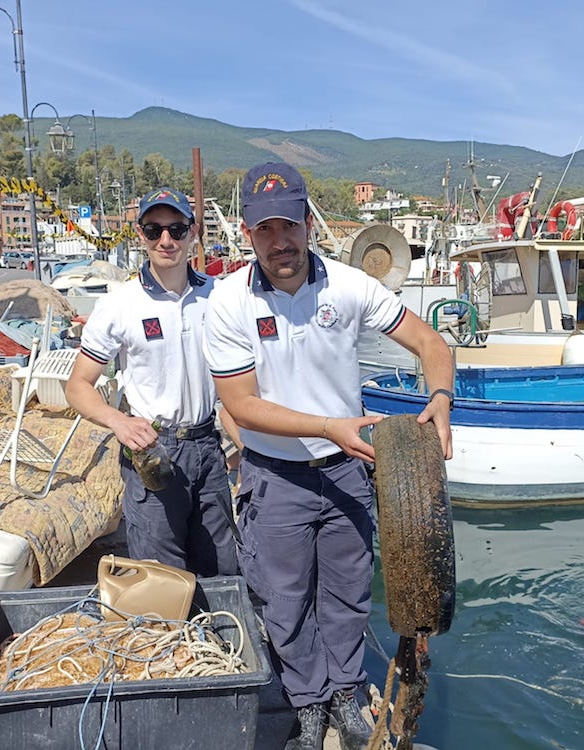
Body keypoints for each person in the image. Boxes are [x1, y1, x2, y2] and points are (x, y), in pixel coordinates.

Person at [202, 162, 455, 750]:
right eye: (265, 229)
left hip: (347, 470)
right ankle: (308, 701)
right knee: (284, 602)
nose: (280, 241)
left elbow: (430, 342)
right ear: (248, 233)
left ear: (308, 223)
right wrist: (327, 427)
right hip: (275, 477)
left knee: (348, 595)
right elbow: (240, 405)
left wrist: (441, 397)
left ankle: (344, 692)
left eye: (289, 224)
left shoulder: (349, 285)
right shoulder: (228, 301)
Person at [64, 187, 238, 578]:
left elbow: (240, 381)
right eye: (154, 229)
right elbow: (77, 386)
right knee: (160, 579)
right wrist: (119, 422)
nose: (166, 240)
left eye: (176, 229)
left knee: (223, 570)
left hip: (208, 447)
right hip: (152, 449)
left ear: (193, 232)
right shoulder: (119, 304)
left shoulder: (219, 297)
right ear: (140, 234)